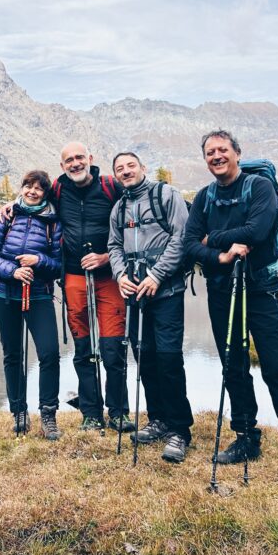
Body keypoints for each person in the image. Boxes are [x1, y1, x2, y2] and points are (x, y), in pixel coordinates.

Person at [183, 130, 278, 485]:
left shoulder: (260, 188)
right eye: (210, 152)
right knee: (234, 367)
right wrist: (221, 254)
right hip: (221, 290)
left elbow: (258, 232)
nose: (216, 156)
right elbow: (188, 246)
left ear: (237, 153)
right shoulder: (204, 197)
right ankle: (246, 438)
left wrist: (211, 239)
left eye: (222, 150)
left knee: (276, 367)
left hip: (260, 289)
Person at [107, 152, 194, 462]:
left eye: (131, 166)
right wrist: (119, 275)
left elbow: (181, 237)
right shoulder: (118, 208)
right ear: (116, 175)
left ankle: (180, 430)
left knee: (169, 359)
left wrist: (157, 275)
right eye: (120, 169)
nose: (126, 171)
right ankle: (158, 420)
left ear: (142, 168)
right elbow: (113, 246)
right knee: (145, 358)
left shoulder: (165, 195)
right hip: (135, 295)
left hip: (166, 291)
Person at [49, 142, 133, 432]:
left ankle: (119, 412)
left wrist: (107, 257)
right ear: (62, 166)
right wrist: (10, 206)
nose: (75, 163)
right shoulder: (57, 190)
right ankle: (90, 413)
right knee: (83, 349)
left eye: (79, 157)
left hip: (110, 278)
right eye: (69, 160)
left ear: (90, 159)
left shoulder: (112, 187)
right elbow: (30, 201)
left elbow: (134, 228)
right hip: (73, 278)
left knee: (113, 348)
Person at [0, 169, 64, 439]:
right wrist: (13, 271)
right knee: (13, 354)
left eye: (38, 188)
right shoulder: (8, 216)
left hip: (38, 294)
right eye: (27, 186)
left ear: (45, 193)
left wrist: (38, 262)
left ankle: (49, 414)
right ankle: (19, 411)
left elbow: (58, 266)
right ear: (22, 188)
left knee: (49, 353)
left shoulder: (53, 223)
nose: (31, 191)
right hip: (4, 294)